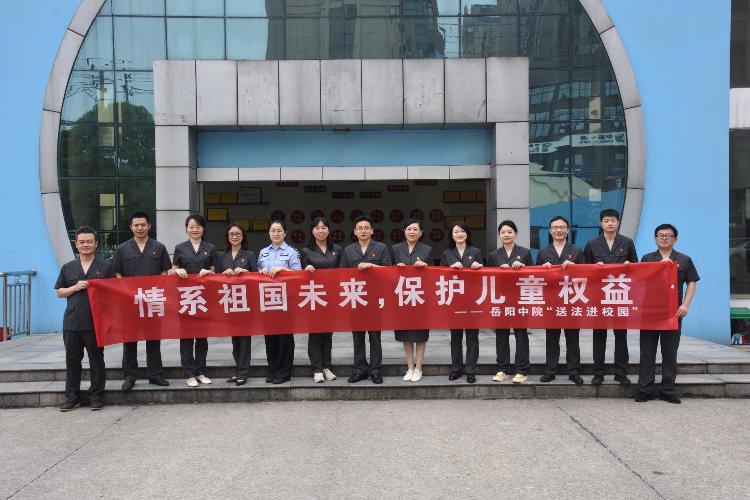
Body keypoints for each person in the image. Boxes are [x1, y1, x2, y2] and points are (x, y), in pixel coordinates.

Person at [636, 224, 699, 404]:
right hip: (650, 313)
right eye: (660, 235)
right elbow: (639, 279)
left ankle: (668, 390)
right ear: (655, 238)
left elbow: (692, 282)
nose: (664, 238)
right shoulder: (647, 258)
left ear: (675, 239)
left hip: (673, 314)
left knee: (670, 353)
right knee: (647, 352)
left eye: (668, 235)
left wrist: (685, 305)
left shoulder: (684, 259)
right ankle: (645, 390)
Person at [54, 226, 113, 411]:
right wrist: (75, 287)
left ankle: (96, 396)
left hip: (95, 322)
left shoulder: (106, 267)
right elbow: (59, 292)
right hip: (72, 322)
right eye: (82, 242)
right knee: (72, 361)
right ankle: (72, 397)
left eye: (89, 241)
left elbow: (114, 292)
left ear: (96, 244)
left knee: (96, 361)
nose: (85, 245)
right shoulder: (68, 267)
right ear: (76, 244)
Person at [113, 212, 172, 391]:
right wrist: (128, 292)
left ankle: (155, 375)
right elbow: (117, 273)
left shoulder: (159, 247)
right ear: (131, 227)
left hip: (152, 300)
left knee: (153, 338)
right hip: (129, 301)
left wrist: (154, 290)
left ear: (149, 226)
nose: (140, 228)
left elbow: (165, 271)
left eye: (143, 225)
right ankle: (130, 376)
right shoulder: (122, 249)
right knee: (129, 340)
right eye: (136, 225)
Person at [583, 208, 638, 386]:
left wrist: (629, 265)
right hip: (599, 297)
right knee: (599, 336)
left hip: (619, 296)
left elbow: (636, 268)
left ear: (618, 222)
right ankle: (598, 373)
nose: (610, 223)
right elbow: (584, 271)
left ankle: (621, 373)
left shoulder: (627, 243)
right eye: (606, 220)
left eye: (613, 220)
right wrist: (594, 268)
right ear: (601, 223)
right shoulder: (592, 244)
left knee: (621, 336)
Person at [340, 215, 392, 385]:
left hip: (374, 299)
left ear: (372, 231)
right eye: (360, 228)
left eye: (366, 228)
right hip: (355, 298)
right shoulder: (348, 250)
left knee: (375, 336)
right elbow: (341, 274)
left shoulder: (381, 248)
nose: (363, 231)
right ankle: (359, 369)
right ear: (355, 232)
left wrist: (372, 266)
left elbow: (389, 272)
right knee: (357, 336)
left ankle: (375, 370)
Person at [535, 216, 584, 385]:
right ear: (550, 231)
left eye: (562, 227)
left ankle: (574, 371)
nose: (558, 230)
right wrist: (542, 270)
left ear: (567, 230)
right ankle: (550, 370)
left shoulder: (577, 251)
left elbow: (586, 275)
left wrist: (575, 268)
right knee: (552, 338)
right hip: (552, 301)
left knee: (573, 339)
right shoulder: (543, 252)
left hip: (572, 300)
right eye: (555, 227)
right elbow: (535, 278)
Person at [170, 214, 216, 388]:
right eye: (191, 226)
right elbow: (171, 271)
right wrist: (177, 271)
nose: (194, 230)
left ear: (203, 228)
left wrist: (209, 273)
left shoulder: (210, 248)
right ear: (186, 229)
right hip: (186, 298)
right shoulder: (180, 248)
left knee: (202, 338)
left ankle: (201, 372)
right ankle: (189, 374)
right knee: (187, 338)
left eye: (198, 226)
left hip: (204, 298)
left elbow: (215, 272)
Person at [486, 220, 532, 384]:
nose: (506, 235)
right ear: (499, 235)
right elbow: (488, 277)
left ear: (515, 233)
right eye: (503, 232)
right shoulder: (493, 255)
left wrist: (523, 267)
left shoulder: (525, 252)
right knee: (501, 335)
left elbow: (534, 275)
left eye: (509, 232)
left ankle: (522, 370)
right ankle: (503, 369)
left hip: (520, 299)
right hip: (500, 300)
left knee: (521, 334)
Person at [258, 220, 301, 384]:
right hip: (268, 300)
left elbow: (298, 275)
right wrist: (261, 271)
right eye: (273, 231)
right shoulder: (263, 252)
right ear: (269, 233)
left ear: (285, 233)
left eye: (279, 231)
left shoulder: (291, 252)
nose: (276, 234)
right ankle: (273, 369)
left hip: (286, 301)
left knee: (284, 338)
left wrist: (283, 269)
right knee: (270, 338)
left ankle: (284, 372)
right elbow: (256, 274)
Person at [300, 217, 342, 383]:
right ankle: (316, 369)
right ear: (312, 231)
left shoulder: (337, 250)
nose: (321, 231)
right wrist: (306, 269)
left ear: (328, 230)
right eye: (317, 228)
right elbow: (300, 275)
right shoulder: (306, 251)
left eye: (324, 228)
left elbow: (342, 272)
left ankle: (326, 366)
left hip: (331, 297)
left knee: (327, 335)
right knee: (315, 334)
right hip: (314, 297)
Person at [441, 221, 483, 384]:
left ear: (467, 234)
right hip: (455, 300)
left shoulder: (476, 251)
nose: (459, 234)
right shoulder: (446, 253)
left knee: (472, 337)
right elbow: (440, 276)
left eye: (462, 231)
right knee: (455, 337)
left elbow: (484, 277)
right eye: (456, 231)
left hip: (473, 300)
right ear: (451, 235)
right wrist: (450, 269)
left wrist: (478, 267)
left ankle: (471, 370)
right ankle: (456, 369)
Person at [390, 219, 432, 383]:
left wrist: (425, 266)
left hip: (420, 297)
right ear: (404, 231)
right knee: (405, 334)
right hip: (402, 297)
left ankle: (418, 368)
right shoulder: (395, 249)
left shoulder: (427, 249)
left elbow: (434, 274)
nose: (412, 232)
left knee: (420, 334)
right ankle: (409, 367)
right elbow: (388, 271)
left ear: (421, 233)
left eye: (415, 229)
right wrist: (396, 268)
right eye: (409, 229)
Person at [216, 223, 258, 386]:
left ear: (243, 236)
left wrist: (246, 272)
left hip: (246, 302)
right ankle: (238, 369)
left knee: (245, 339)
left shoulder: (249, 255)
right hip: (229, 301)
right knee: (235, 340)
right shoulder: (222, 256)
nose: (234, 237)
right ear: (227, 237)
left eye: (237, 234)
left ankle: (243, 372)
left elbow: (257, 276)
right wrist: (223, 274)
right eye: (231, 234)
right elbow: (216, 278)